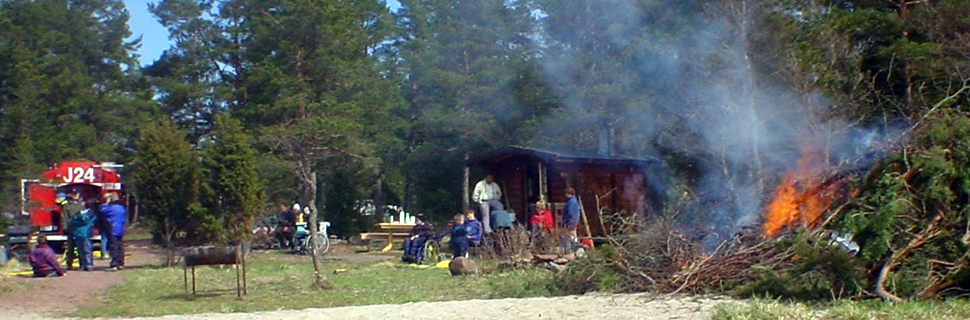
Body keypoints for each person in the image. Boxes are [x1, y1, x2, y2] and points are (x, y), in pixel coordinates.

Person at [60, 189, 85, 270]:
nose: (76, 195)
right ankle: (69, 264)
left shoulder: (82, 204)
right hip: (71, 229)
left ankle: (82, 264)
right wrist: (65, 227)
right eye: (74, 194)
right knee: (70, 248)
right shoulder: (67, 205)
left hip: (80, 229)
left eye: (77, 193)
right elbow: (64, 217)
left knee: (80, 247)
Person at [101, 193, 127, 271]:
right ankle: (120, 262)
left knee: (113, 246)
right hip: (121, 228)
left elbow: (102, 211)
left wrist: (106, 203)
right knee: (120, 246)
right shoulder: (122, 208)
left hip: (113, 228)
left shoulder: (110, 208)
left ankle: (114, 263)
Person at [70, 201, 98, 271]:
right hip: (78, 234)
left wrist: (81, 216)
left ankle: (89, 265)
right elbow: (73, 221)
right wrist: (79, 220)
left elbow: (87, 221)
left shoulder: (91, 213)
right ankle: (82, 265)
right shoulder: (78, 213)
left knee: (87, 250)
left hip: (86, 233)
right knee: (80, 250)